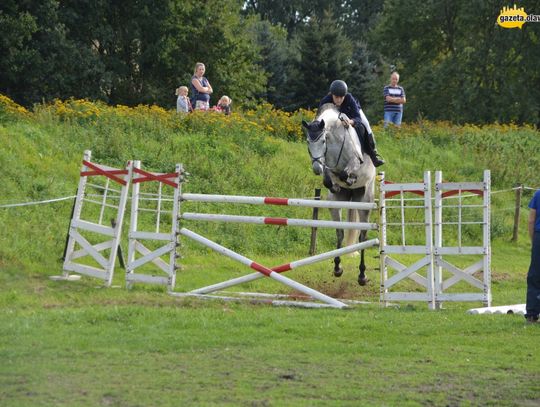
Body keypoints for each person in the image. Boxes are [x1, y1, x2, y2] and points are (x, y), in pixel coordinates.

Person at [319, 79, 385, 167]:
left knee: (366, 124)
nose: (339, 100)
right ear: (332, 95)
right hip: (337, 118)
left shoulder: (349, 98)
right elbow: (319, 118)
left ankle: (374, 154)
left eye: (341, 97)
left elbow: (358, 118)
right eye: (336, 97)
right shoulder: (325, 101)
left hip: (351, 114)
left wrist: (350, 122)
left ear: (345, 95)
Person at [525, 189, 540, 323]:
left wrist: (533, 239)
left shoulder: (538, 194)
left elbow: (531, 220)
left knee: (535, 276)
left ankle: (532, 313)